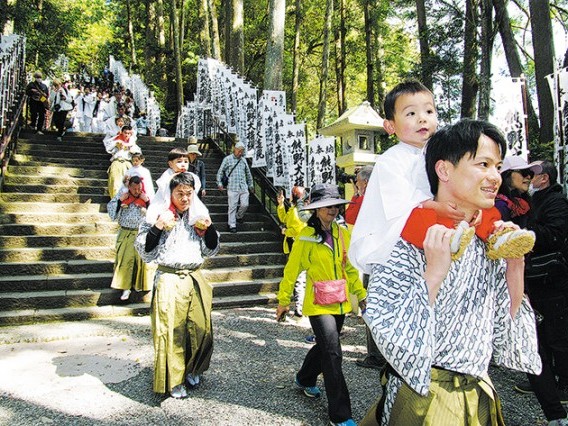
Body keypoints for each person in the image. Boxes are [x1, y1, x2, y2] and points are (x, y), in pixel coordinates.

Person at [360, 119, 541, 425]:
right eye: (483, 164)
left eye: (497, 167)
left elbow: (505, 327)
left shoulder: (485, 241)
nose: (495, 177)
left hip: (478, 389)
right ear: (443, 170)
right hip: (425, 397)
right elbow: (386, 329)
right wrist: (433, 274)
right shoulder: (405, 241)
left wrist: (515, 264)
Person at [350, 80, 534, 271]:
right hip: (417, 213)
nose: (422, 119)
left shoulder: (444, 151)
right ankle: (447, 240)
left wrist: (472, 207)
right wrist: (435, 206)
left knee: (484, 208)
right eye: (411, 113)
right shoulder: (391, 159)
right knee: (416, 219)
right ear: (390, 126)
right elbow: (397, 198)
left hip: (447, 209)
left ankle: (498, 235)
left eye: (429, 111)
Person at [276, 183, 366, 426]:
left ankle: (304, 378)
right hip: (318, 305)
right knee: (333, 354)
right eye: (327, 206)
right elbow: (292, 270)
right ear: (316, 209)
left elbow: (349, 269)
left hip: (339, 302)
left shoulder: (342, 234)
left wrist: (361, 295)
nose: (333, 210)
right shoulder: (306, 236)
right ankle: (340, 415)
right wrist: (284, 301)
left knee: (327, 347)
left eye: (336, 205)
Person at [135, 172, 219, 399]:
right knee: (171, 331)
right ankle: (174, 380)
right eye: (179, 193)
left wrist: (209, 229)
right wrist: (158, 227)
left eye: (188, 194)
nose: (184, 198)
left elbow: (210, 249)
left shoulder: (197, 216)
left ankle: (193, 368)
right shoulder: (158, 215)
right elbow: (145, 250)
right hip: (169, 278)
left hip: (194, 276)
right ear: (169, 194)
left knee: (201, 328)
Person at [518, 160, 568, 425]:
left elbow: (554, 234)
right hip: (534, 278)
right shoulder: (532, 201)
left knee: (557, 334)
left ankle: (563, 384)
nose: (528, 177)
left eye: (532, 173)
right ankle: (546, 379)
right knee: (540, 335)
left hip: (551, 278)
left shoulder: (556, 202)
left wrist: (522, 232)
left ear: (544, 178)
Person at [344, 165, 385, 371]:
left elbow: (349, 216)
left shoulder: (367, 198)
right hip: (386, 256)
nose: (357, 185)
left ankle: (376, 355)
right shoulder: (386, 194)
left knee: (371, 305)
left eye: (358, 182)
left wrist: (357, 195)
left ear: (366, 182)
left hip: (373, 260)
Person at [107, 176, 153, 301]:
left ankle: (139, 285)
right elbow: (111, 212)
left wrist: (147, 202)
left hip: (141, 233)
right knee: (125, 260)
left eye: (139, 189)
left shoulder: (145, 196)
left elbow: (154, 214)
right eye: (134, 189)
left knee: (140, 261)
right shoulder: (123, 195)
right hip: (126, 232)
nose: (137, 191)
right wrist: (120, 201)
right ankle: (125, 287)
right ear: (129, 187)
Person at [277, 186, 308, 317]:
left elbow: (297, 230)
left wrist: (286, 231)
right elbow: (284, 218)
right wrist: (280, 205)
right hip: (293, 245)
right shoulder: (294, 209)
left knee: (298, 277)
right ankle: (300, 306)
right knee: (298, 277)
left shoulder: (296, 211)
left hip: (296, 246)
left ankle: (299, 307)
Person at [216, 141, 254, 233]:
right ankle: (232, 225)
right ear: (235, 149)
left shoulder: (243, 160)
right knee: (232, 206)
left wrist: (251, 185)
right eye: (239, 151)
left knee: (245, 204)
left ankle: (238, 216)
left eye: (242, 151)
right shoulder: (227, 159)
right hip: (232, 186)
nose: (240, 153)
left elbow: (248, 174)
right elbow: (220, 172)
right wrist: (219, 183)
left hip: (243, 186)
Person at [495, 156, 542, 228]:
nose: (529, 177)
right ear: (507, 175)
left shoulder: (522, 201)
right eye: (524, 172)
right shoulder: (500, 205)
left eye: (531, 173)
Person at [106, 125, 140, 198]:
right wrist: (116, 145)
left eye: (128, 133)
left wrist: (130, 148)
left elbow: (138, 153)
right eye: (125, 133)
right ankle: (115, 200)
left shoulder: (132, 143)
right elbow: (108, 148)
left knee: (128, 183)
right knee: (114, 182)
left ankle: (127, 200)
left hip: (127, 163)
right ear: (122, 132)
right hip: (117, 162)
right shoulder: (116, 140)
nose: (127, 135)